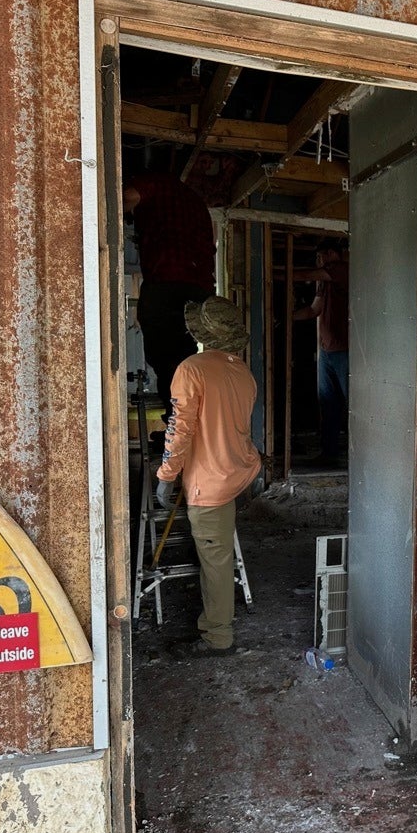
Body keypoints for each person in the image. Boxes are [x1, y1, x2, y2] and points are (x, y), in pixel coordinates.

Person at [156, 296, 261, 659]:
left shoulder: (192, 369)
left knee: (215, 562)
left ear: (200, 332)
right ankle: (216, 627)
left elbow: (179, 429)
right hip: (236, 472)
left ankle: (218, 637)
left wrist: (166, 475)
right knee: (218, 554)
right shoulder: (242, 372)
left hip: (209, 481)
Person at [124, 172, 216, 415]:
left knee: (165, 356)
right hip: (199, 287)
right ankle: (188, 420)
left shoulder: (157, 182)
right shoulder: (194, 200)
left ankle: (178, 425)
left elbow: (127, 196)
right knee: (183, 352)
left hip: (168, 279)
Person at [290, 241, 350, 465]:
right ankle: (329, 453)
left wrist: (281, 273)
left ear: (332, 253)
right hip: (327, 351)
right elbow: (314, 310)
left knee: (351, 404)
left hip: (345, 350)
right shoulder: (324, 284)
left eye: (320, 257)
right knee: (328, 403)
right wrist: (289, 316)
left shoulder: (340, 269)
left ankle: (359, 457)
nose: (319, 262)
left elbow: (304, 273)